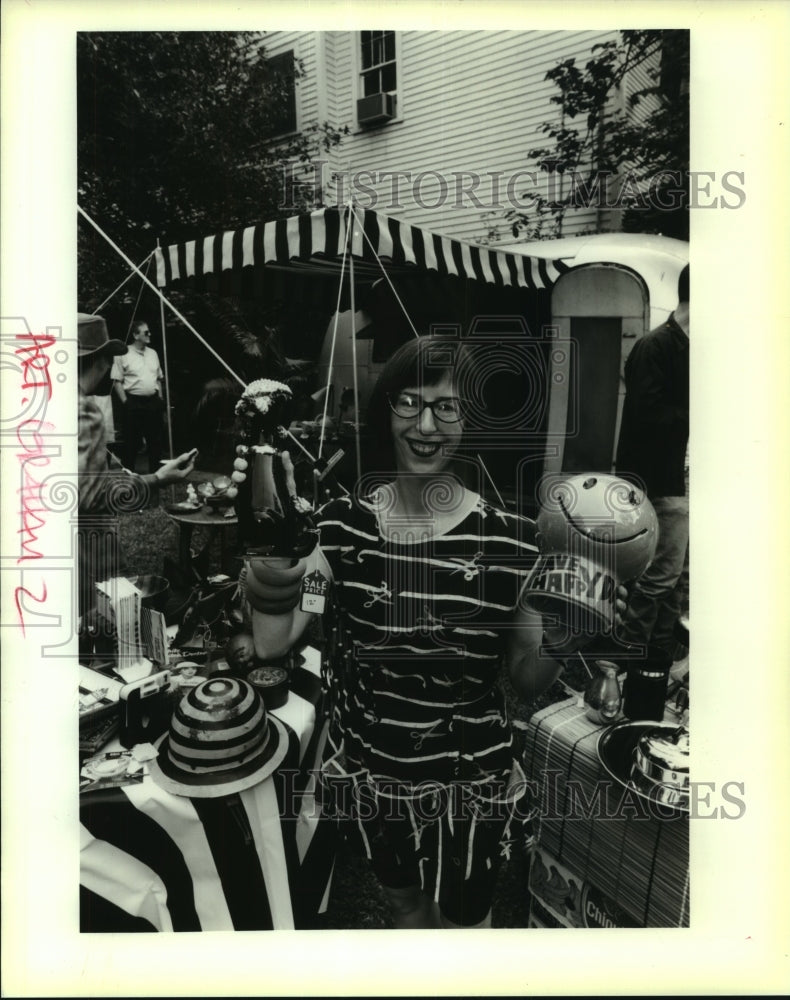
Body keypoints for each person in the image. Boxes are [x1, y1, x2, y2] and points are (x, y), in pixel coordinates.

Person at [238, 336, 622, 929]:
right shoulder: (343, 527)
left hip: (467, 783)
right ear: (385, 409)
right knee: (403, 905)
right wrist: (275, 543)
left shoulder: (511, 541)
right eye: (409, 402)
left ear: (469, 419)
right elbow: (275, 640)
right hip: (372, 767)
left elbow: (526, 679)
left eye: (447, 407)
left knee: (461, 924)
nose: (426, 424)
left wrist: (568, 634)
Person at [78, 313, 196, 620]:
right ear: (102, 361)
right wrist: (157, 479)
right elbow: (89, 497)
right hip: (87, 555)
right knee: (101, 627)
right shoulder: (84, 411)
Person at [615, 264, 689, 656]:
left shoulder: (694, 348)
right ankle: (622, 658)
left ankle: (655, 663)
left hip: (684, 482)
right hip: (661, 482)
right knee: (660, 579)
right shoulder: (655, 347)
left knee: (677, 582)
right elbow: (647, 416)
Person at [111, 319, 165, 473]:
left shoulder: (153, 353)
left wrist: (160, 399)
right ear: (135, 335)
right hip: (133, 403)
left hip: (153, 403)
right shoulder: (122, 354)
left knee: (155, 443)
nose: (150, 334)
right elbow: (116, 381)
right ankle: (129, 483)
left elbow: (159, 379)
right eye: (146, 332)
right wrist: (126, 402)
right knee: (131, 445)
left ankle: (156, 479)